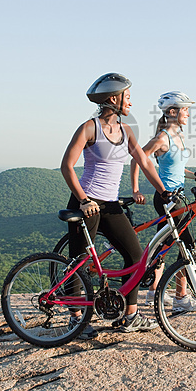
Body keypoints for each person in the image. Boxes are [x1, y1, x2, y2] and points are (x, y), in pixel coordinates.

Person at [61, 73, 170, 338]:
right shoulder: (89, 128)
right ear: (113, 98)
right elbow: (67, 166)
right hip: (86, 202)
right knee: (79, 262)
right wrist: (84, 200)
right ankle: (77, 320)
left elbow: (144, 162)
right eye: (127, 97)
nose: (130, 103)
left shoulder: (126, 130)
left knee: (135, 256)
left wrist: (164, 192)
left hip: (110, 205)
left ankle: (130, 315)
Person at [130, 91, 196, 313]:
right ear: (173, 112)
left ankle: (153, 294)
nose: (188, 114)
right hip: (167, 197)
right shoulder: (162, 138)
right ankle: (181, 299)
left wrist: (195, 176)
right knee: (186, 246)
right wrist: (135, 190)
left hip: (177, 196)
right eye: (185, 109)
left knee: (163, 245)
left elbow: (177, 168)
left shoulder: (179, 137)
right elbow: (137, 158)